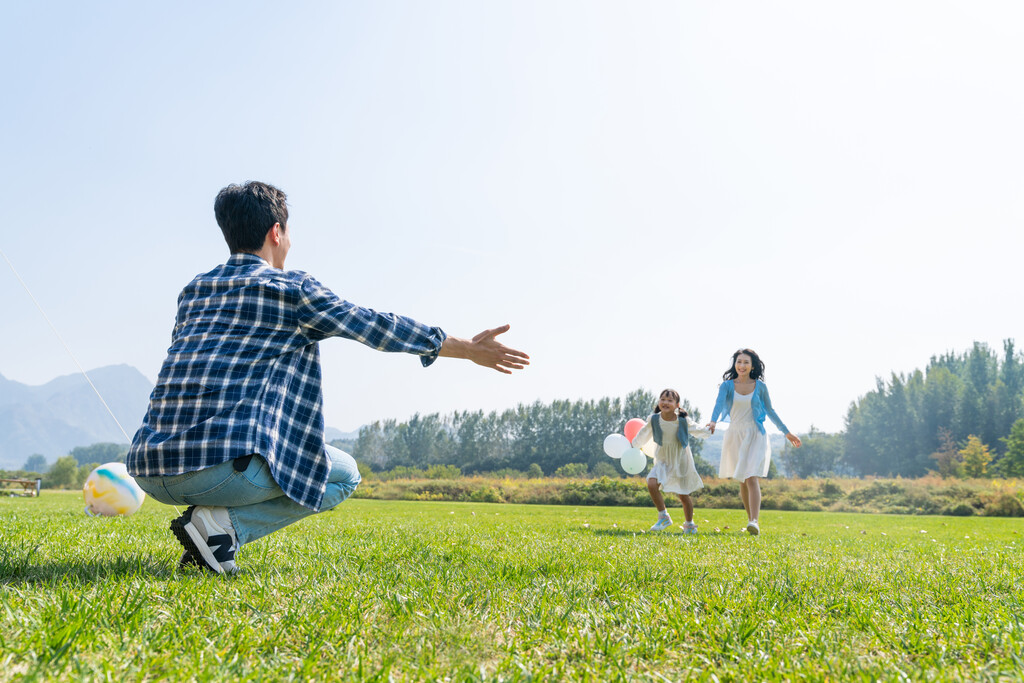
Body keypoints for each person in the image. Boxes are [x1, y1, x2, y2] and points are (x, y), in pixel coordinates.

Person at [127, 181, 529, 574]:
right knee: (344, 474)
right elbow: (374, 325)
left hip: (149, 468)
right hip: (214, 470)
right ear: (277, 232)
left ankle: (210, 533)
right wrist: (466, 348)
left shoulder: (195, 291)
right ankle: (223, 530)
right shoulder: (290, 288)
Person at [706, 348, 800, 535]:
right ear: (735, 364)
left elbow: (770, 411)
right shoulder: (726, 386)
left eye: (746, 362)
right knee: (742, 478)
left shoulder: (760, 387)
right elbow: (718, 404)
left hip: (755, 434)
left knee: (751, 476)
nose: (742, 365)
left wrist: (786, 432)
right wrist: (713, 421)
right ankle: (751, 522)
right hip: (735, 433)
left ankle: (754, 521)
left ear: (752, 365)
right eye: (739, 362)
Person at [630, 389, 710, 534]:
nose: (665, 402)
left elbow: (697, 429)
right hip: (663, 459)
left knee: (683, 495)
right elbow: (643, 434)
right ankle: (663, 516)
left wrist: (708, 430)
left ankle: (689, 524)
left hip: (681, 461)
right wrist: (634, 445)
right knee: (651, 483)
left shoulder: (682, 420)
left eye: (670, 400)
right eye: (663, 399)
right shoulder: (654, 419)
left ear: (677, 405)